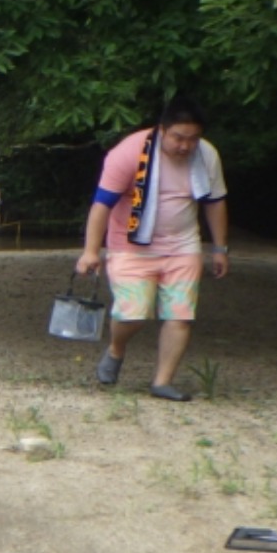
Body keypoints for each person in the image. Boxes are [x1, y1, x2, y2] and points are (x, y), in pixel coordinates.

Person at [77, 96, 229, 401]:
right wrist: (91, 250)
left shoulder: (207, 155)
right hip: (130, 246)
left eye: (193, 139)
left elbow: (215, 202)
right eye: (178, 138)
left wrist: (220, 248)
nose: (185, 146)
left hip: (183, 245)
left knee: (180, 315)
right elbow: (102, 205)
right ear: (162, 130)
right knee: (133, 314)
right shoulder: (128, 153)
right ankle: (116, 348)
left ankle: (162, 381)